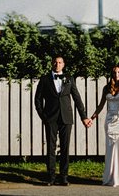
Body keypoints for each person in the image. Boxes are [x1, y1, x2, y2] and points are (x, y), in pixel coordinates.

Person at [34, 55, 92, 186]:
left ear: (63, 64)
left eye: (60, 62)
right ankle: (50, 177)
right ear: (52, 64)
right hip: (51, 118)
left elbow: (77, 99)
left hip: (66, 118)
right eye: (55, 62)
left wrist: (83, 117)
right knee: (51, 147)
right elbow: (37, 100)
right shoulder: (44, 79)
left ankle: (64, 177)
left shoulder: (69, 79)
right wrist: (43, 116)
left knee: (65, 148)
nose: (57, 64)